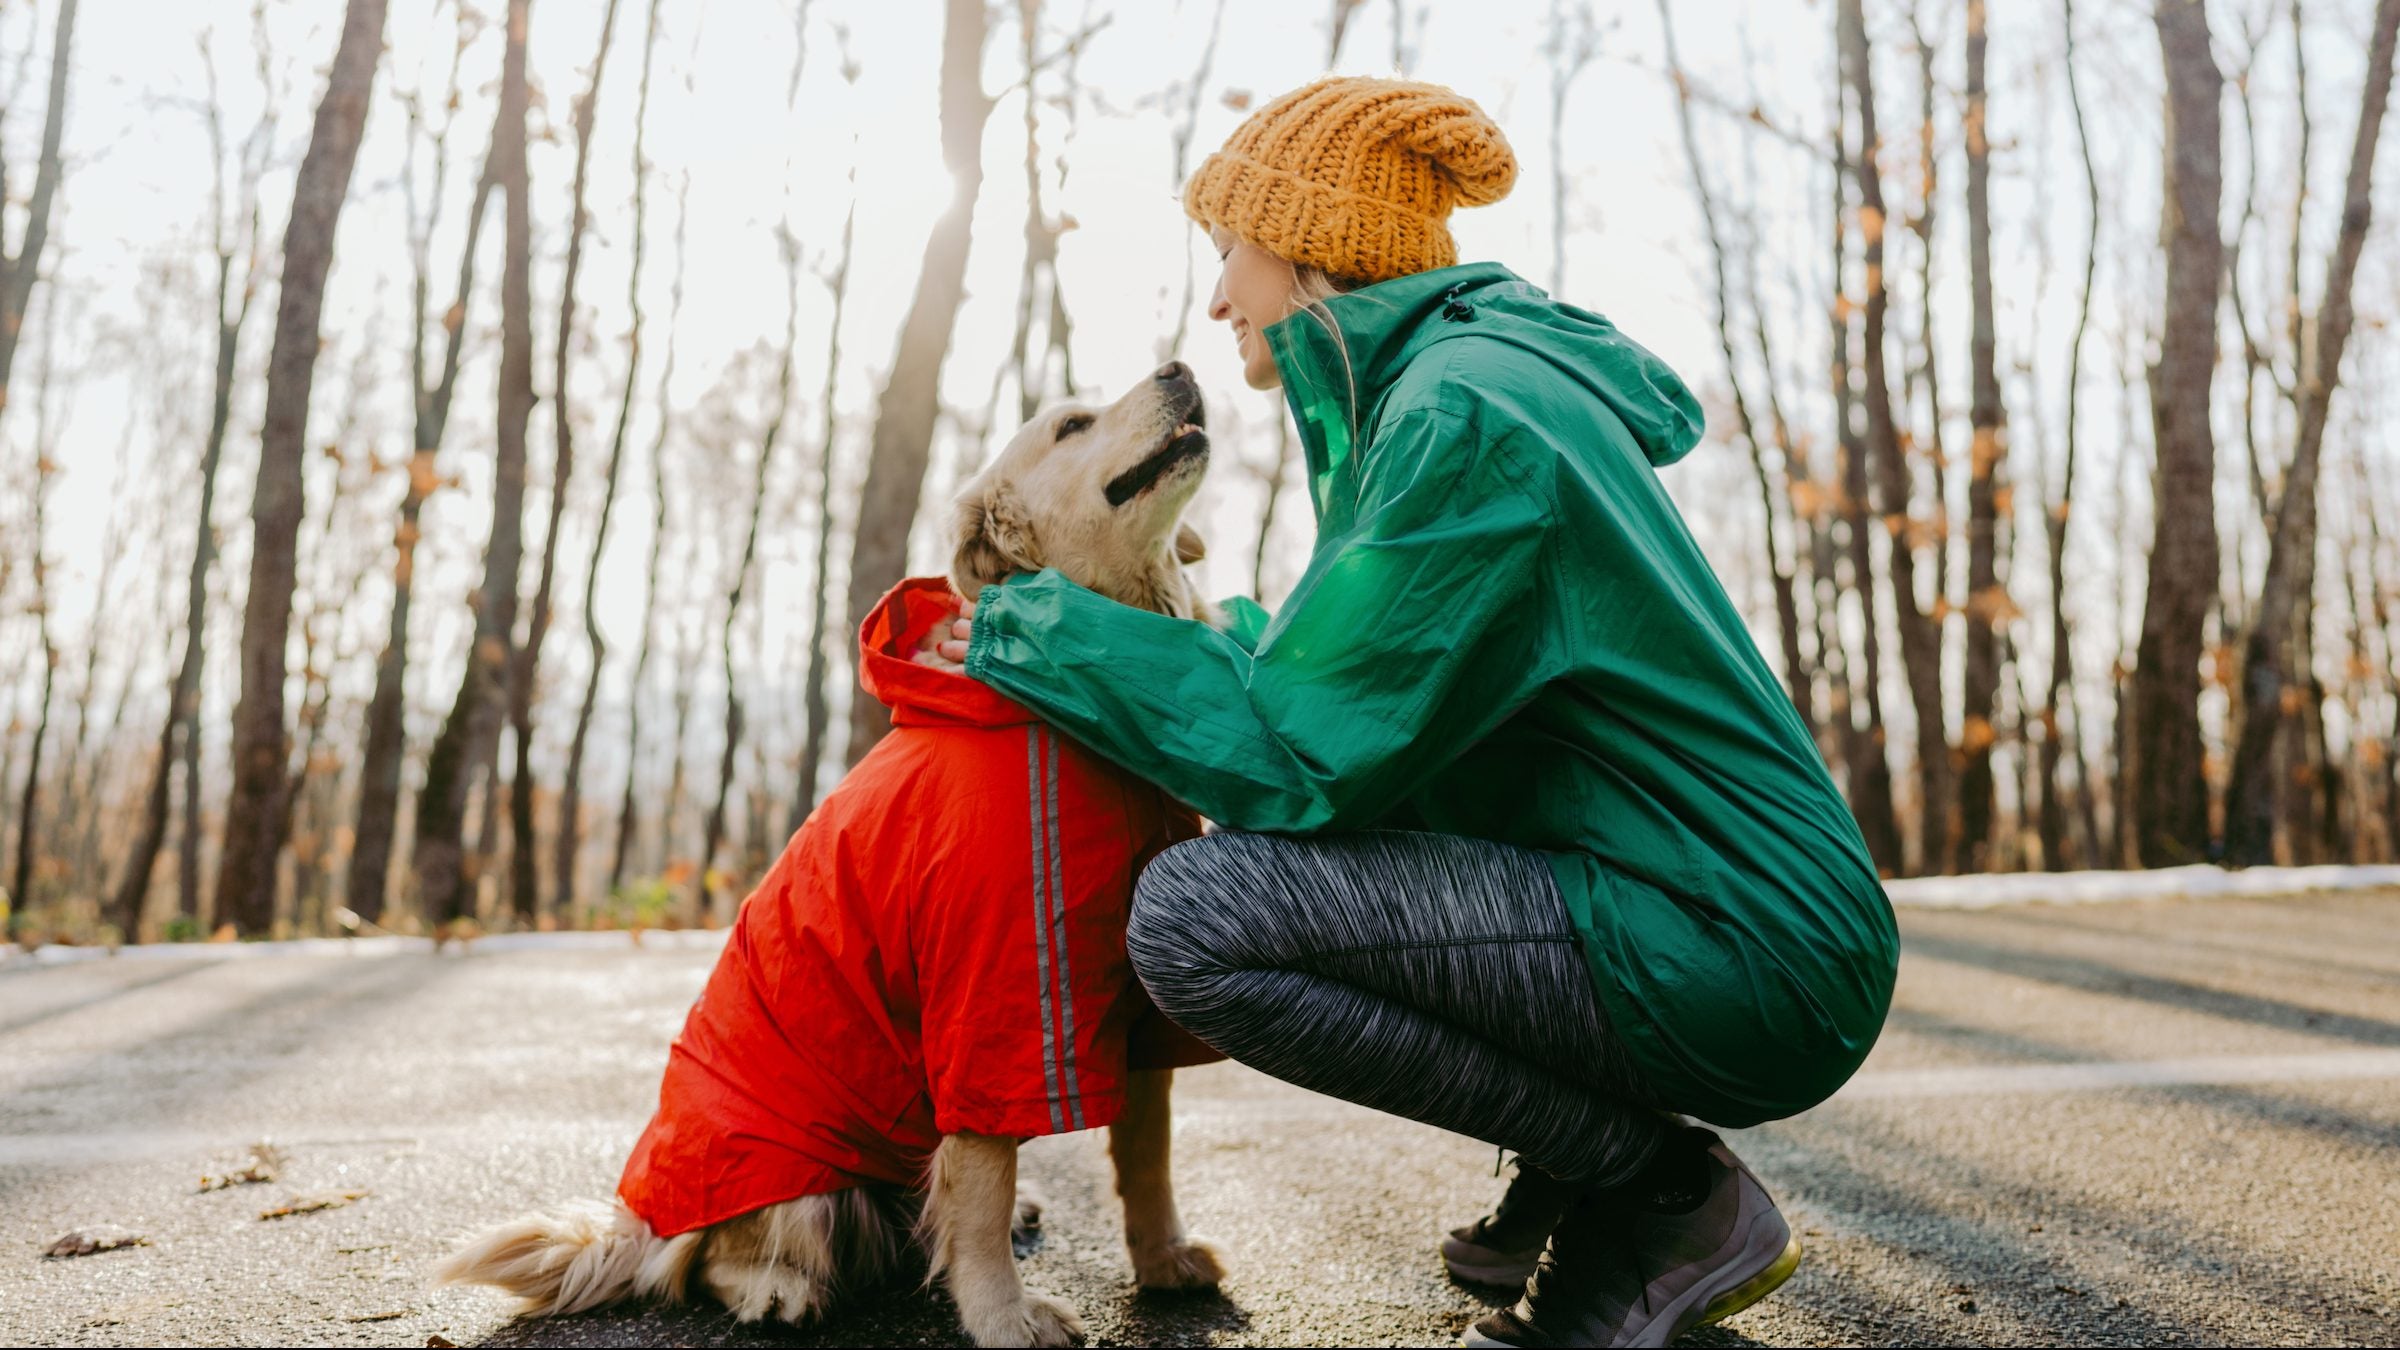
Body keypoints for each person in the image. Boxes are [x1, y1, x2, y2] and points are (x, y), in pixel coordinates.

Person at [927, 75, 1898, 1348]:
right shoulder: (1455, 387)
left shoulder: (1462, 413)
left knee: (1197, 920)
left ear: (1312, 245)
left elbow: (1301, 755)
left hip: (1737, 941)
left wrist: (1035, 628)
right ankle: (1586, 1161)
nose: (1217, 297)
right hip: (1689, 901)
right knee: (1305, 866)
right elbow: (1371, 700)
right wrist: (1204, 636)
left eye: (1231, 253)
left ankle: (1652, 1188)